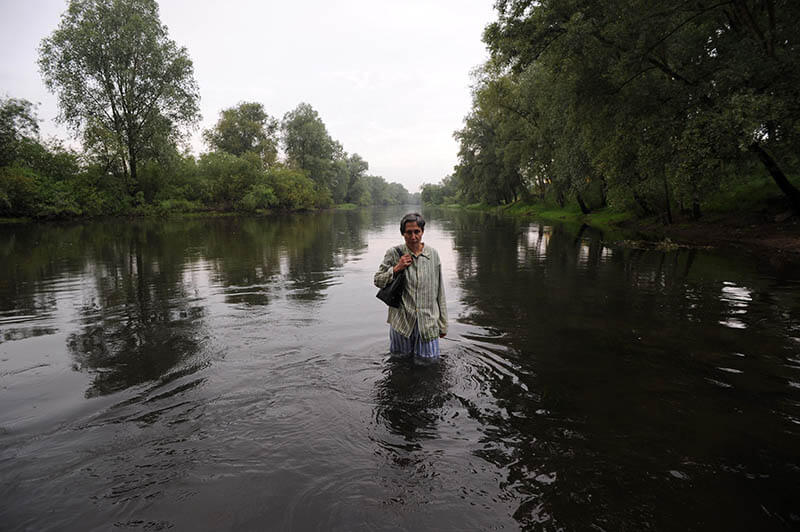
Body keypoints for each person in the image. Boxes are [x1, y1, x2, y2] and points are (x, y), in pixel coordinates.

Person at [374, 213, 447, 358]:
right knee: (400, 364)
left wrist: (443, 323)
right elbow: (377, 280)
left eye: (417, 232)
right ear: (403, 233)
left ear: (422, 232)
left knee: (429, 364)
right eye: (409, 232)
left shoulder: (433, 255)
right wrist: (396, 268)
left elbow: (440, 291)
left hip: (428, 323)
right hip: (402, 323)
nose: (413, 237)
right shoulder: (394, 254)